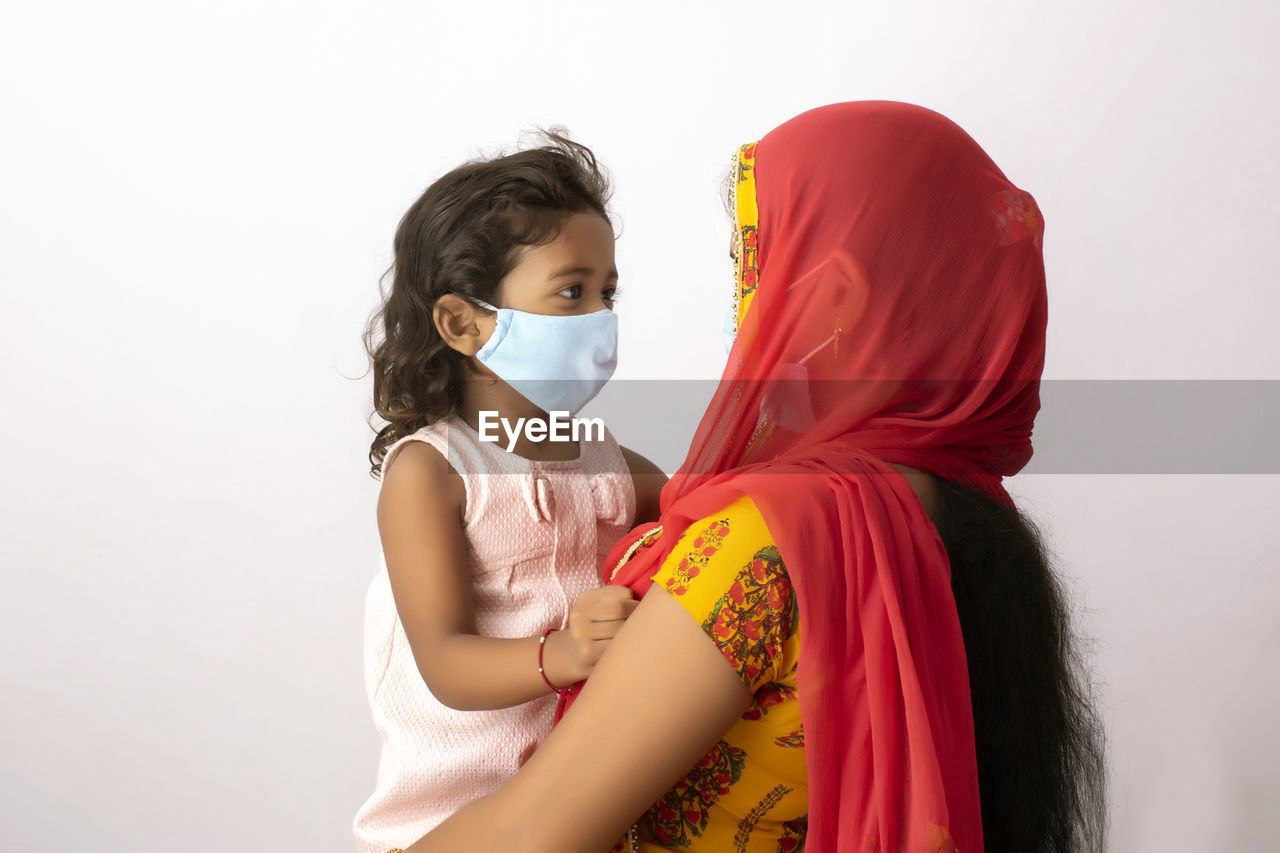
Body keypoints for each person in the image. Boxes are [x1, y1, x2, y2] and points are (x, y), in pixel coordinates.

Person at [400, 101, 1106, 853]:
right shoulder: (971, 518)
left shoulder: (762, 541)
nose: (746, 306)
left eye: (757, 261)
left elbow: (525, 837)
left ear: (835, 296)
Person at [354, 132, 667, 853]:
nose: (601, 317)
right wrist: (560, 653)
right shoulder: (430, 473)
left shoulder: (603, 460)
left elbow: (706, 505)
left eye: (607, 292)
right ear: (464, 323)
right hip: (450, 824)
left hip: (581, 812)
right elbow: (446, 662)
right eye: (571, 291)